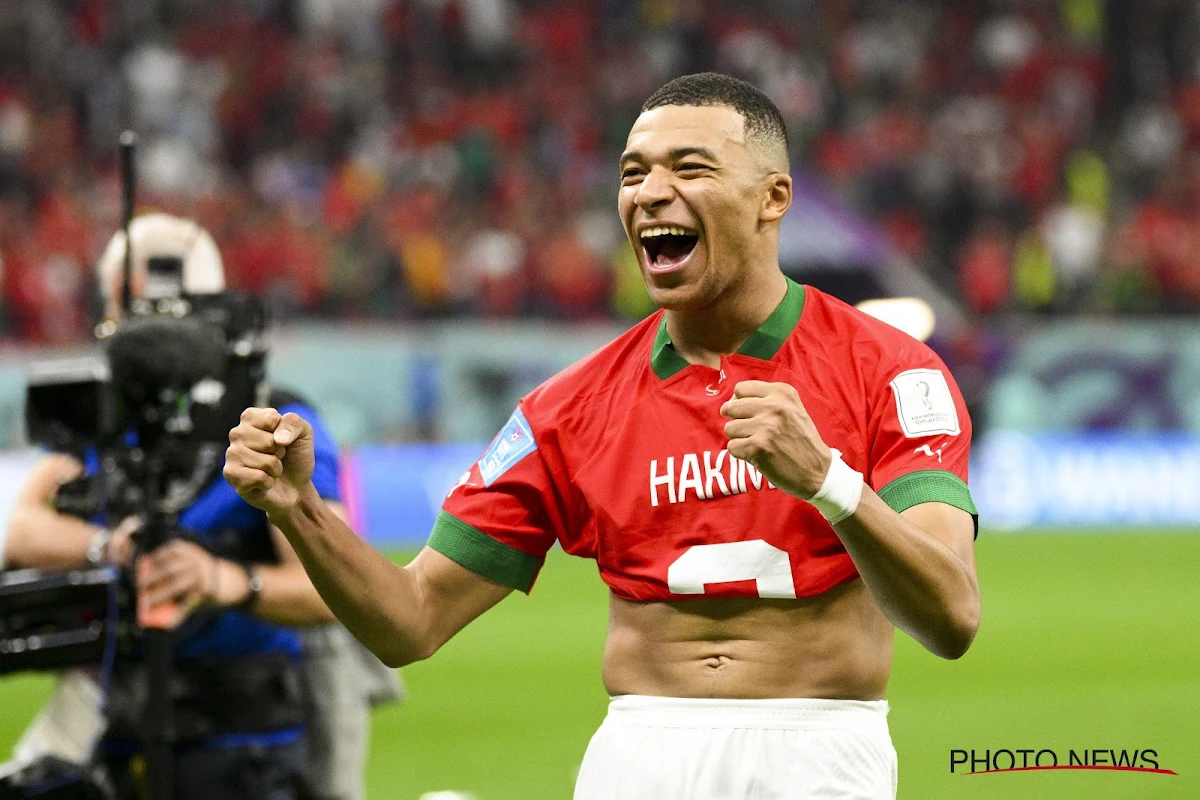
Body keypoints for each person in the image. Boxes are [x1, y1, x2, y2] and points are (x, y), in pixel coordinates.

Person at [225, 73, 980, 799]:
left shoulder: (891, 371)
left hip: (817, 749)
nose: (651, 193)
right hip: (638, 754)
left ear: (771, 198)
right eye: (633, 173)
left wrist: (826, 479)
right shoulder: (569, 408)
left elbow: (952, 617)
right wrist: (300, 511)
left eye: (689, 168)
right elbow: (412, 620)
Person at [2, 213, 395, 800]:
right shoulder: (108, 421)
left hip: (243, 746)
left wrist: (223, 580)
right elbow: (22, 531)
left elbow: (338, 585)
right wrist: (110, 547)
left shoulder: (275, 421)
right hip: (116, 729)